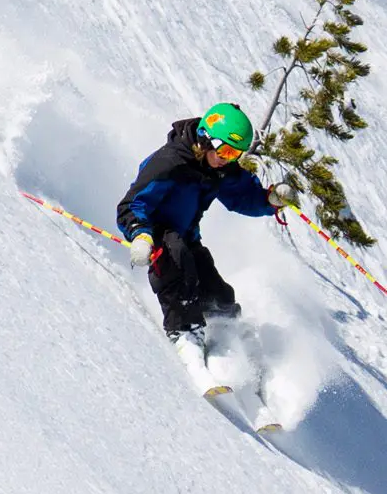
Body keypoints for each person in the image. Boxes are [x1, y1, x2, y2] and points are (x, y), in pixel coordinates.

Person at [116, 103, 287, 342]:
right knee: (177, 261)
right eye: (226, 152)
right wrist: (140, 234)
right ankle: (186, 335)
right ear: (206, 139)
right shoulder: (170, 163)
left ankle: (229, 338)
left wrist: (269, 201)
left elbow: (241, 195)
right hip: (156, 235)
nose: (228, 160)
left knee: (220, 295)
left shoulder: (217, 167)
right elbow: (131, 204)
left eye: (235, 154)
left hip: (187, 237)